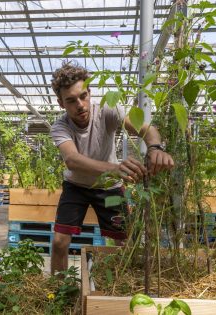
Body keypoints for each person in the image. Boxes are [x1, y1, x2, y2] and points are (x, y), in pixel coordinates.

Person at [50, 62, 174, 274]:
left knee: (124, 243)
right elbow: (72, 160)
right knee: (60, 242)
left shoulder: (107, 110)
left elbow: (146, 129)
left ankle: (122, 288)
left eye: (83, 96)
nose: (80, 105)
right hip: (76, 186)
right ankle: (57, 293)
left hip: (109, 187)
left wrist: (154, 147)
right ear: (61, 103)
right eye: (71, 100)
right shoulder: (60, 127)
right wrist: (114, 168)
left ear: (90, 93)